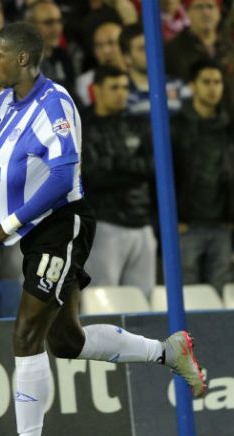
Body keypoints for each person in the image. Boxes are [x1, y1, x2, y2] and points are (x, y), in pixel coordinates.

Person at [0, 22, 206, 436]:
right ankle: (169, 353)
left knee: (26, 334)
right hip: (29, 234)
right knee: (66, 341)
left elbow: (62, 177)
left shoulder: (56, 105)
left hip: (58, 226)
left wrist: (7, 223)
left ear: (24, 59)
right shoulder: (4, 104)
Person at [171, 59, 234, 295]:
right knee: (187, 295)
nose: (213, 88)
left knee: (220, 295)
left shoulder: (231, 128)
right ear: (192, 86)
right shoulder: (175, 126)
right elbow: (164, 175)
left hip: (222, 226)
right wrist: (172, 219)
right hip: (186, 225)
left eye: (217, 82)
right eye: (206, 82)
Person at [80, 66, 157, 298]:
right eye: (114, 87)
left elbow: (153, 168)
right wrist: (132, 169)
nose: (121, 93)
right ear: (96, 90)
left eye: (125, 87)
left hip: (141, 222)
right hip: (105, 223)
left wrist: (114, 163)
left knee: (144, 301)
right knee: (102, 298)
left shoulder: (139, 123)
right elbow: (90, 177)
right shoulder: (83, 126)